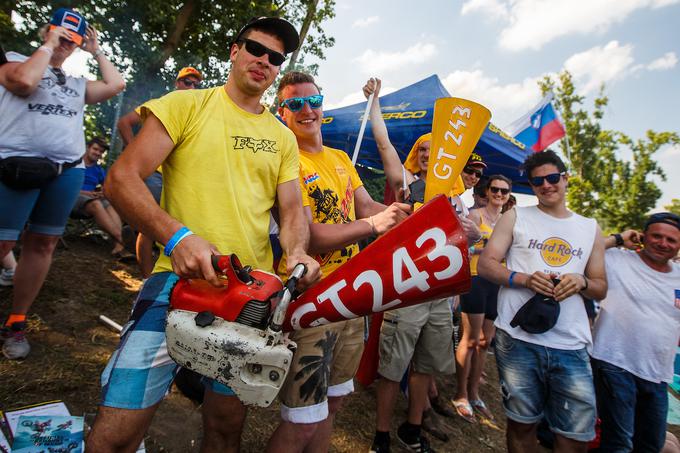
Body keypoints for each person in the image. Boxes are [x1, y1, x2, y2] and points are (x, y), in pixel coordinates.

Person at [85, 17, 321, 452]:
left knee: (226, 429)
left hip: (251, 298)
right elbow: (122, 179)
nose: (263, 61)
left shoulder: (282, 137)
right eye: (255, 48)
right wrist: (177, 237)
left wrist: (298, 251)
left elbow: (290, 213)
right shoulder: (185, 105)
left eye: (275, 58)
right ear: (234, 51)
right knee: (115, 434)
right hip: (175, 285)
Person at [266, 71, 411, 453]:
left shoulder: (340, 157)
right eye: (295, 103)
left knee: (333, 405)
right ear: (282, 113)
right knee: (302, 418)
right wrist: (372, 224)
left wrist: (408, 216)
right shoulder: (288, 161)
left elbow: (368, 207)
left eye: (313, 100)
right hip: (315, 299)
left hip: (352, 295)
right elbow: (309, 236)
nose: (306, 109)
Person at [363, 77, 482, 452]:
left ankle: (411, 431)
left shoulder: (456, 198)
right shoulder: (407, 182)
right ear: (417, 154)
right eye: (425, 148)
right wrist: (376, 103)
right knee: (392, 366)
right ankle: (381, 436)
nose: (432, 153)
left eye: (439, 148)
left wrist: (473, 235)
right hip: (408, 290)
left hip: (440, 297)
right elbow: (383, 144)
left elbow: (471, 240)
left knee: (426, 366)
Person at [0, 7, 125, 360]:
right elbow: (24, 82)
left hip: (64, 172)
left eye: (73, 40)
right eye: (61, 35)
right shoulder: (13, 62)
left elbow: (116, 84)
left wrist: (96, 50)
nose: (66, 44)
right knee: (4, 243)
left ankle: (16, 320)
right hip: (16, 168)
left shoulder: (75, 84)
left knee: (43, 244)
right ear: (46, 31)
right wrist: (50, 44)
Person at [478, 149, 607, 453]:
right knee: (521, 424)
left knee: (575, 436)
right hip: (519, 338)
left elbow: (600, 287)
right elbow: (486, 264)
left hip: (571, 344)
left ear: (566, 179)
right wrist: (523, 279)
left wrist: (583, 282)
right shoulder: (516, 215)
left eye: (552, 178)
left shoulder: (590, 227)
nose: (546, 185)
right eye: (538, 182)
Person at [591, 212, 680, 452]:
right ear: (643, 236)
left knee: (650, 443)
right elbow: (584, 249)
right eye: (657, 236)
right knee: (619, 442)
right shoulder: (619, 259)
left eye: (671, 240)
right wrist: (619, 238)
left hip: (658, 372)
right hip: (613, 362)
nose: (663, 243)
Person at [117, 66, 203, 277]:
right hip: (155, 175)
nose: (191, 87)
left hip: (178, 178)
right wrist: (133, 150)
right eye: (187, 82)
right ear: (177, 83)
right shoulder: (162, 103)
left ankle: (167, 278)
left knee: (176, 226)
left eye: (196, 84)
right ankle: (147, 279)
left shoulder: (197, 110)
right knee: (148, 230)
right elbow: (124, 122)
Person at [453, 175, 512, 423]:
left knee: (485, 343)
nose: (499, 194)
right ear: (487, 192)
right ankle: (461, 394)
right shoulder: (475, 216)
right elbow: (461, 247)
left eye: (504, 191)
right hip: (476, 279)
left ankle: (475, 393)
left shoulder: (508, 222)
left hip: (496, 284)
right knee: (470, 339)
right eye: (495, 189)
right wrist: (485, 245)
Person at [71, 137, 134, 260]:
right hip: (73, 198)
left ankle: (118, 248)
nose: (98, 153)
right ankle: (123, 240)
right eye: (95, 149)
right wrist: (87, 193)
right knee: (96, 204)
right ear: (88, 148)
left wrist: (102, 193)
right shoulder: (75, 163)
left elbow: (107, 188)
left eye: (101, 152)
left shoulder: (98, 170)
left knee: (110, 204)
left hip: (90, 201)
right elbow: (65, 186)